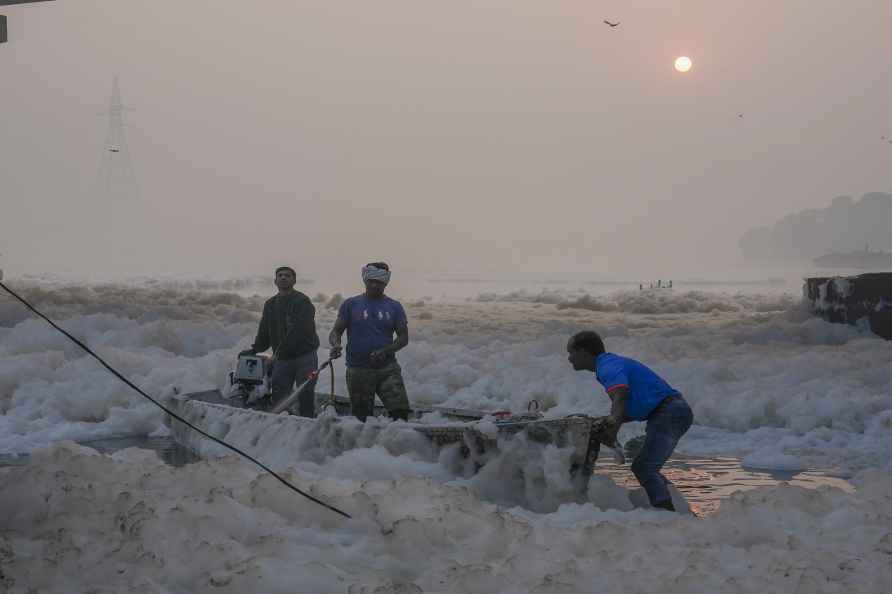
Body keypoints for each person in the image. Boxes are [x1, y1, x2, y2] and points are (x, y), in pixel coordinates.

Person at [566, 330, 693, 511]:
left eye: (571, 353)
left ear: (584, 352)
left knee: (644, 467)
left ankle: (668, 514)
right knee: (643, 463)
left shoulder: (607, 366)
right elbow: (628, 407)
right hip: (669, 411)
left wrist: (613, 422)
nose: (569, 359)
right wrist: (608, 424)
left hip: (670, 412)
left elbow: (620, 396)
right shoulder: (610, 363)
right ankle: (677, 508)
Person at [328, 262, 410, 421]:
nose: (374, 285)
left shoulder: (394, 307)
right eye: (370, 280)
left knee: (400, 413)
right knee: (361, 418)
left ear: (386, 282)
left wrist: (385, 351)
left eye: (378, 282)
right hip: (358, 369)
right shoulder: (351, 304)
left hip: (387, 368)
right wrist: (336, 344)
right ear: (365, 280)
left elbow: (403, 338)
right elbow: (336, 331)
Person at [241, 266, 320, 416]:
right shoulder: (270, 304)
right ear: (275, 281)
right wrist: (255, 349)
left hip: (305, 357)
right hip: (283, 359)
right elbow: (265, 331)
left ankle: (307, 424)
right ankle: (281, 428)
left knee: (305, 393)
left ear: (294, 280)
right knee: (279, 394)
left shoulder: (302, 301)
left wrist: (277, 355)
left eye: (288, 276)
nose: (283, 278)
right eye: (280, 275)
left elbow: (298, 331)